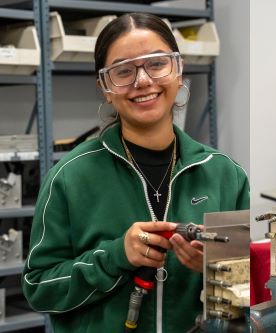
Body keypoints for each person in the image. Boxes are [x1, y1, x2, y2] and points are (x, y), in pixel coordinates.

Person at [22, 12, 249, 333]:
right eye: (123, 71)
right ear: (105, 87)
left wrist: (215, 269)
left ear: (178, 68)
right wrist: (115, 257)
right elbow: (39, 288)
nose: (142, 81)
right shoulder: (70, 176)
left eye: (157, 63)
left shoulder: (225, 174)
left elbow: (253, 279)